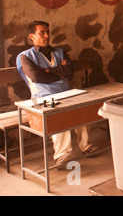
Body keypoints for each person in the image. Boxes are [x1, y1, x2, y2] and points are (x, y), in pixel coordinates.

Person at [16, 21, 98, 168]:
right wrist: (59, 72)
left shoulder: (59, 52)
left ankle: (86, 146)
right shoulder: (25, 57)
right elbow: (37, 77)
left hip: (66, 93)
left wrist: (48, 71)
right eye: (42, 32)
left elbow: (69, 70)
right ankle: (62, 155)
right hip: (42, 98)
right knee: (59, 114)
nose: (47, 35)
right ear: (31, 36)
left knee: (83, 107)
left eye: (48, 32)